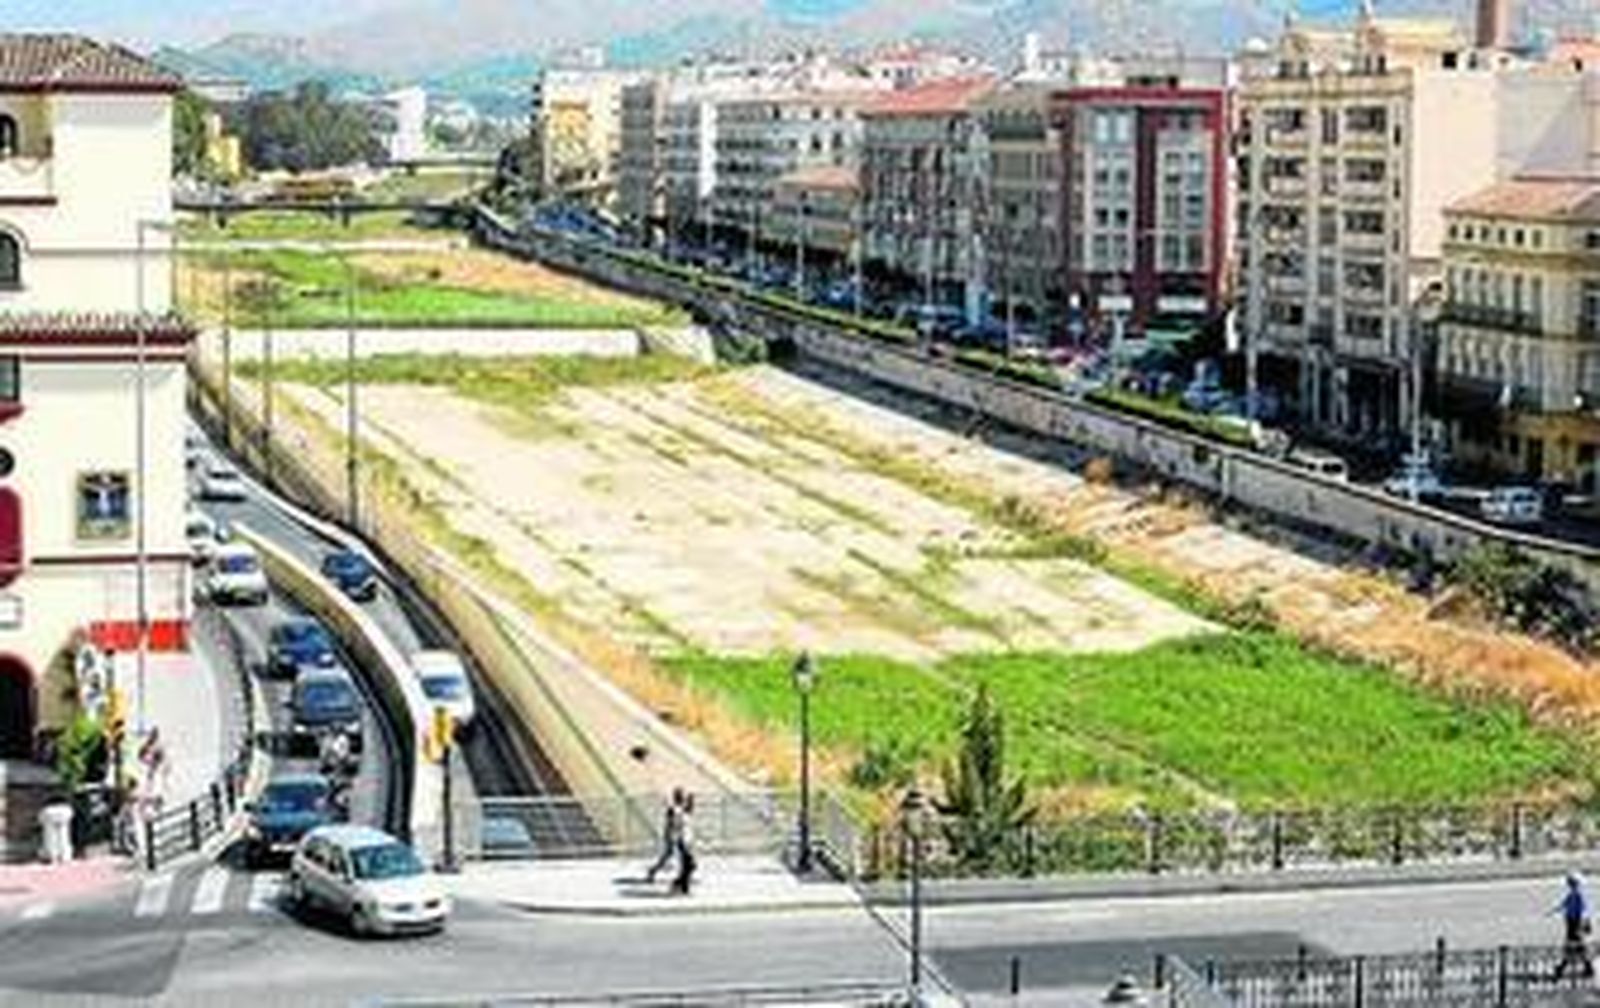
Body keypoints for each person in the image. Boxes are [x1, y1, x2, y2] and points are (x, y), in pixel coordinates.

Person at [1555, 872, 1595, 980]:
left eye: (1570, 882)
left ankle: (1562, 968)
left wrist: (1584, 923)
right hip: (1571, 923)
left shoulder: (1578, 895)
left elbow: (1583, 910)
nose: (1569, 884)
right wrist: (1558, 909)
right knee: (1576, 947)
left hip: (1575, 924)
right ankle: (1587, 968)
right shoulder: (1573, 894)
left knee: (1573, 946)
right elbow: (1566, 903)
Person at [644, 788, 684, 884]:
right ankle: (653, 871)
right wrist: (672, 834)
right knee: (670, 857)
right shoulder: (674, 809)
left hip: (676, 836)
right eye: (681, 796)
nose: (682, 798)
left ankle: (654, 871)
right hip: (673, 837)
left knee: (675, 857)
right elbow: (671, 823)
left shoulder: (679, 808)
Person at [671, 792, 697, 896]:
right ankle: (680, 884)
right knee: (690, 865)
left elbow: (690, 810)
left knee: (687, 866)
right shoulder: (677, 811)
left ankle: (681, 885)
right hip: (682, 841)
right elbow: (674, 824)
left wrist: (691, 800)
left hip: (687, 841)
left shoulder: (684, 811)